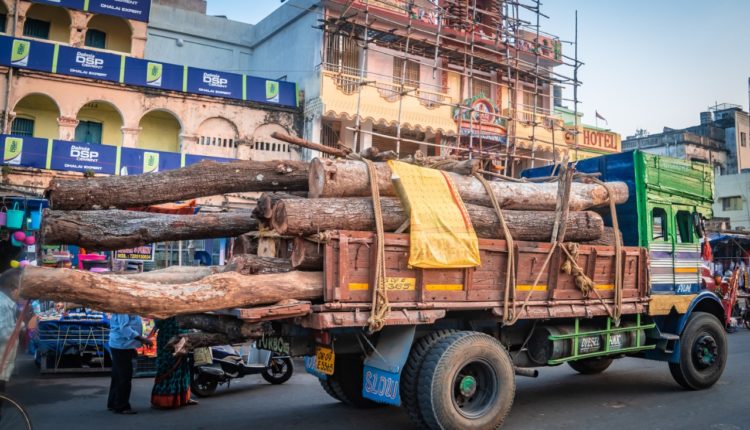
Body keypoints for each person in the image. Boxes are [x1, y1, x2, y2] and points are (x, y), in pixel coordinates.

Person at [108, 314, 152, 414]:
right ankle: (122, 406)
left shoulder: (128, 308)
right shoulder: (122, 309)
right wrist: (142, 339)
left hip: (124, 346)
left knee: (117, 376)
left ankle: (113, 403)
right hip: (121, 346)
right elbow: (125, 328)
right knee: (124, 377)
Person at [150, 317, 197, 409]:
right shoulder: (161, 309)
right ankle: (165, 401)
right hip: (167, 339)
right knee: (167, 367)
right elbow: (158, 323)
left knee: (183, 367)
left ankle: (184, 398)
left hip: (182, 338)